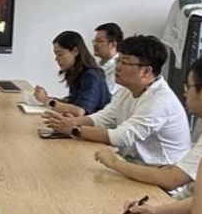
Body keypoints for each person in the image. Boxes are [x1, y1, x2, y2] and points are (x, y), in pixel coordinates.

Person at [96, 52, 202, 199]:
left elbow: (171, 180)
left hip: (180, 201)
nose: (185, 94)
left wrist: (115, 163)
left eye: (188, 87)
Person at [44, 35, 190, 165]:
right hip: (131, 163)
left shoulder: (159, 101)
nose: (117, 67)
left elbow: (122, 136)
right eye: (118, 60)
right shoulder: (128, 90)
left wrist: (74, 129)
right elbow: (105, 117)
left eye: (124, 63)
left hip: (159, 174)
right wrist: (71, 122)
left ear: (146, 71)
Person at [32, 31, 110, 115]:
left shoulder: (91, 76)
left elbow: (79, 111)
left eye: (60, 54)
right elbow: (72, 102)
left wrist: (46, 100)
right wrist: (46, 98)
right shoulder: (77, 72)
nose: (56, 59)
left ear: (75, 51)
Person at [93, 22, 124, 95]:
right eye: (94, 41)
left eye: (99, 41)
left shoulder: (120, 67)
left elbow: (108, 94)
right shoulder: (97, 66)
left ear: (112, 44)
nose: (94, 44)